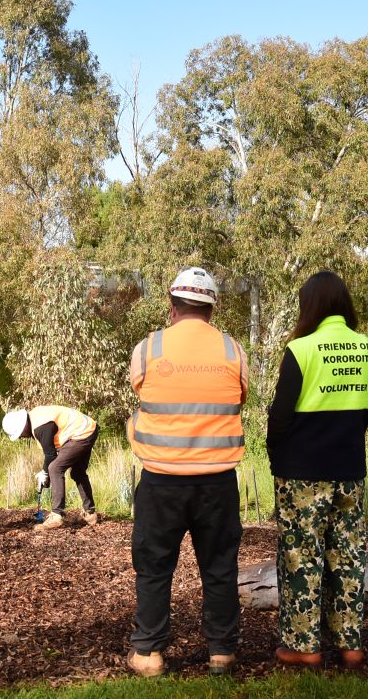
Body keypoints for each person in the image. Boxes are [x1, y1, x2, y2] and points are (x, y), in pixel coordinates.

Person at [125, 267, 248, 677]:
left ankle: (149, 653)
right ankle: (222, 652)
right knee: (219, 567)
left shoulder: (148, 348)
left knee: (155, 566)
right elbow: (239, 397)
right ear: (213, 308)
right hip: (217, 481)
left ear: (171, 305)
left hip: (161, 480)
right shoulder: (234, 351)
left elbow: (140, 389)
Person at [266, 270, 368, 670]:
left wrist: (273, 451)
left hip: (302, 472)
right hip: (349, 468)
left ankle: (304, 646)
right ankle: (351, 646)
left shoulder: (301, 350)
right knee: (347, 556)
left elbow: (280, 415)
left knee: (302, 556)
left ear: (309, 306)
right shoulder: (367, 348)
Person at [1, 405, 99, 531]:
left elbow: (50, 455)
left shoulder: (40, 427)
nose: (21, 437)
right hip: (88, 428)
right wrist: (45, 477)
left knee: (55, 468)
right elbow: (51, 452)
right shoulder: (36, 418)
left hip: (81, 433)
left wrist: (45, 473)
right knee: (78, 473)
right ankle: (90, 513)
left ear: (24, 425)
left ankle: (56, 515)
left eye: (20, 434)